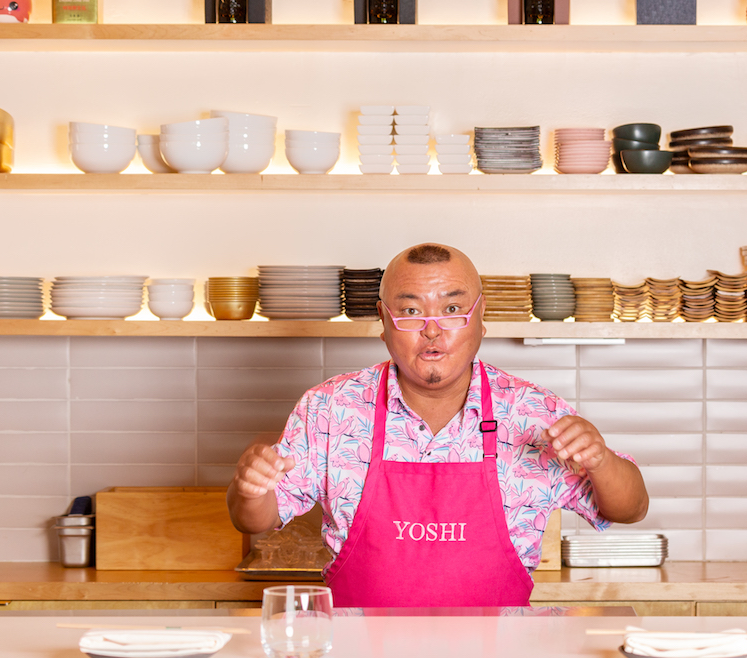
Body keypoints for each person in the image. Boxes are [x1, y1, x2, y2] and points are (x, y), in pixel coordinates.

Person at [227, 243, 649, 608]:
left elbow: (630, 509)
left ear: (481, 315)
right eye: (411, 311)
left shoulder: (533, 412)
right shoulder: (331, 408)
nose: (432, 330)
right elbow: (255, 520)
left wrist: (601, 460)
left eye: (452, 310)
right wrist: (248, 490)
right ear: (384, 321)